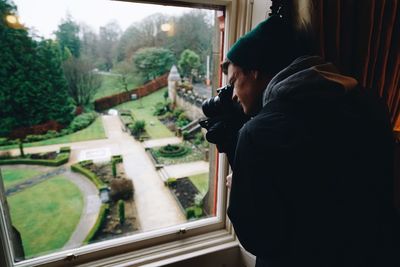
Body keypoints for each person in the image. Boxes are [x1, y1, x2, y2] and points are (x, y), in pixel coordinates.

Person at [204, 15, 399, 266]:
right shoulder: (370, 103)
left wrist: (243, 180)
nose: (232, 96)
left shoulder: (259, 133)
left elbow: (258, 236)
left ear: (254, 71)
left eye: (233, 82)